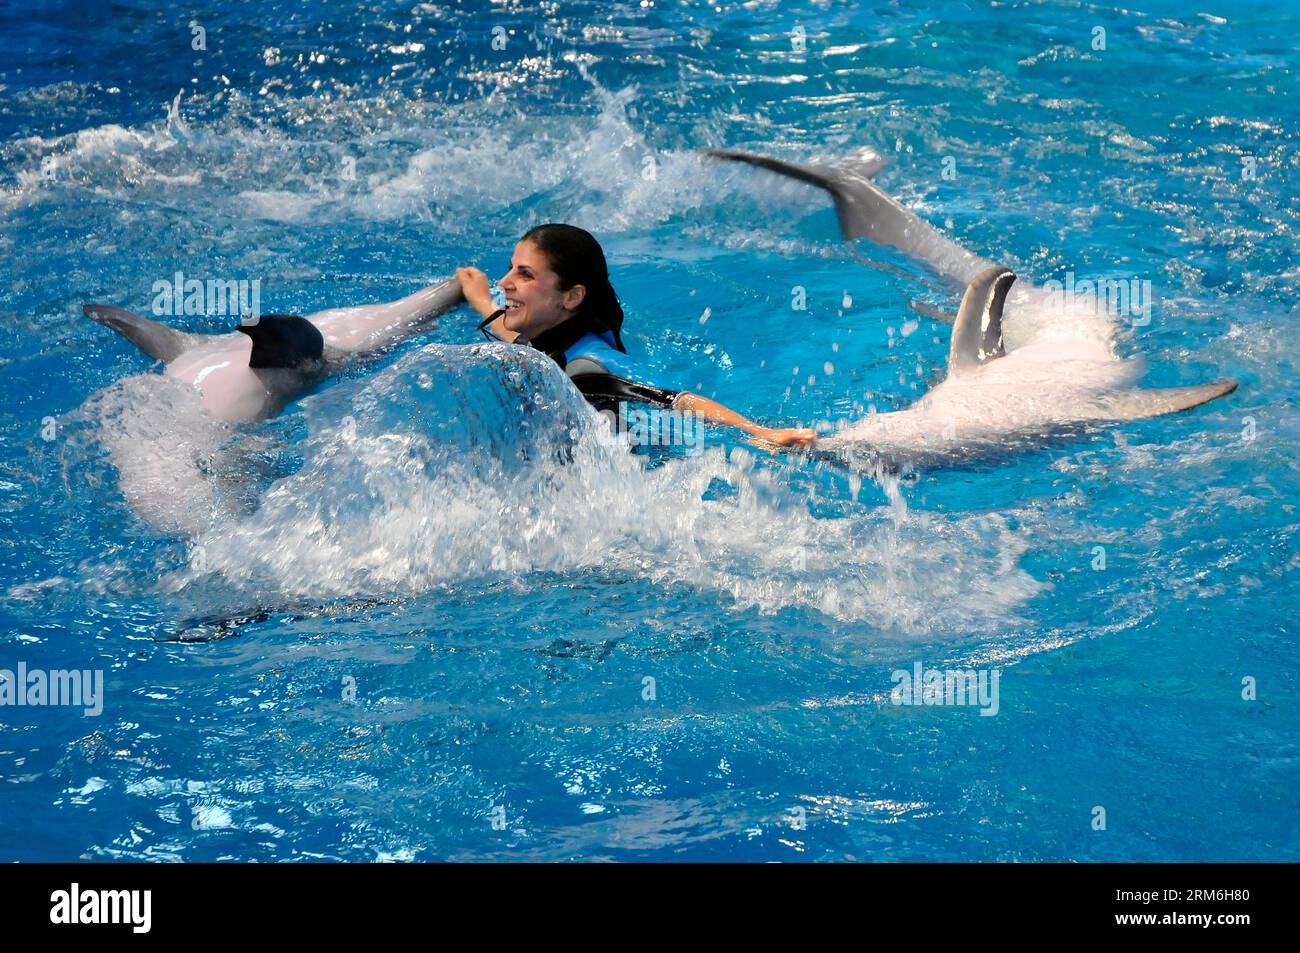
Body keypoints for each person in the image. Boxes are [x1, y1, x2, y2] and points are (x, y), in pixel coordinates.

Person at [455, 223, 816, 448]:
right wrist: (484, 303)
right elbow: (519, 339)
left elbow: (678, 400)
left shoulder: (590, 366)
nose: (506, 283)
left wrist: (759, 432)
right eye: (509, 269)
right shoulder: (549, 335)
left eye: (525, 274)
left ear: (572, 296)